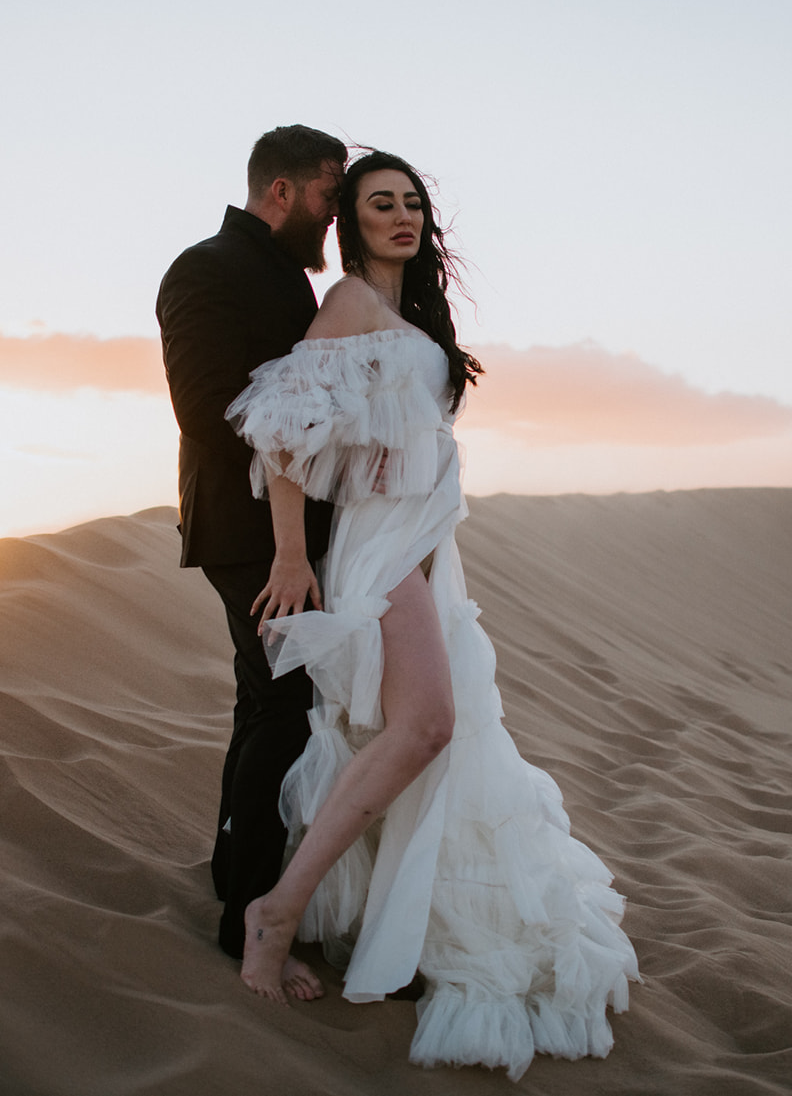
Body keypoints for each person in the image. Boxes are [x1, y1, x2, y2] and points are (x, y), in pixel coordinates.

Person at [226, 151, 639, 1079]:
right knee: (428, 724)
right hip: (377, 553)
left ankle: (361, 914)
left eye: (413, 202)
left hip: (426, 553)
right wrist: (293, 554)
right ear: (352, 222)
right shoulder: (349, 306)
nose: (402, 215)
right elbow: (285, 424)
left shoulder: (413, 318)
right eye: (381, 203)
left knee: (427, 736)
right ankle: (276, 911)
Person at [155, 123, 347, 966]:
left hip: (286, 530)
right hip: (247, 535)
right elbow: (202, 408)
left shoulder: (286, 281)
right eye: (328, 195)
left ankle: (236, 872)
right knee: (285, 704)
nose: (333, 216)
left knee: (261, 698)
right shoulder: (204, 268)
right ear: (282, 190)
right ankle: (248, 916)